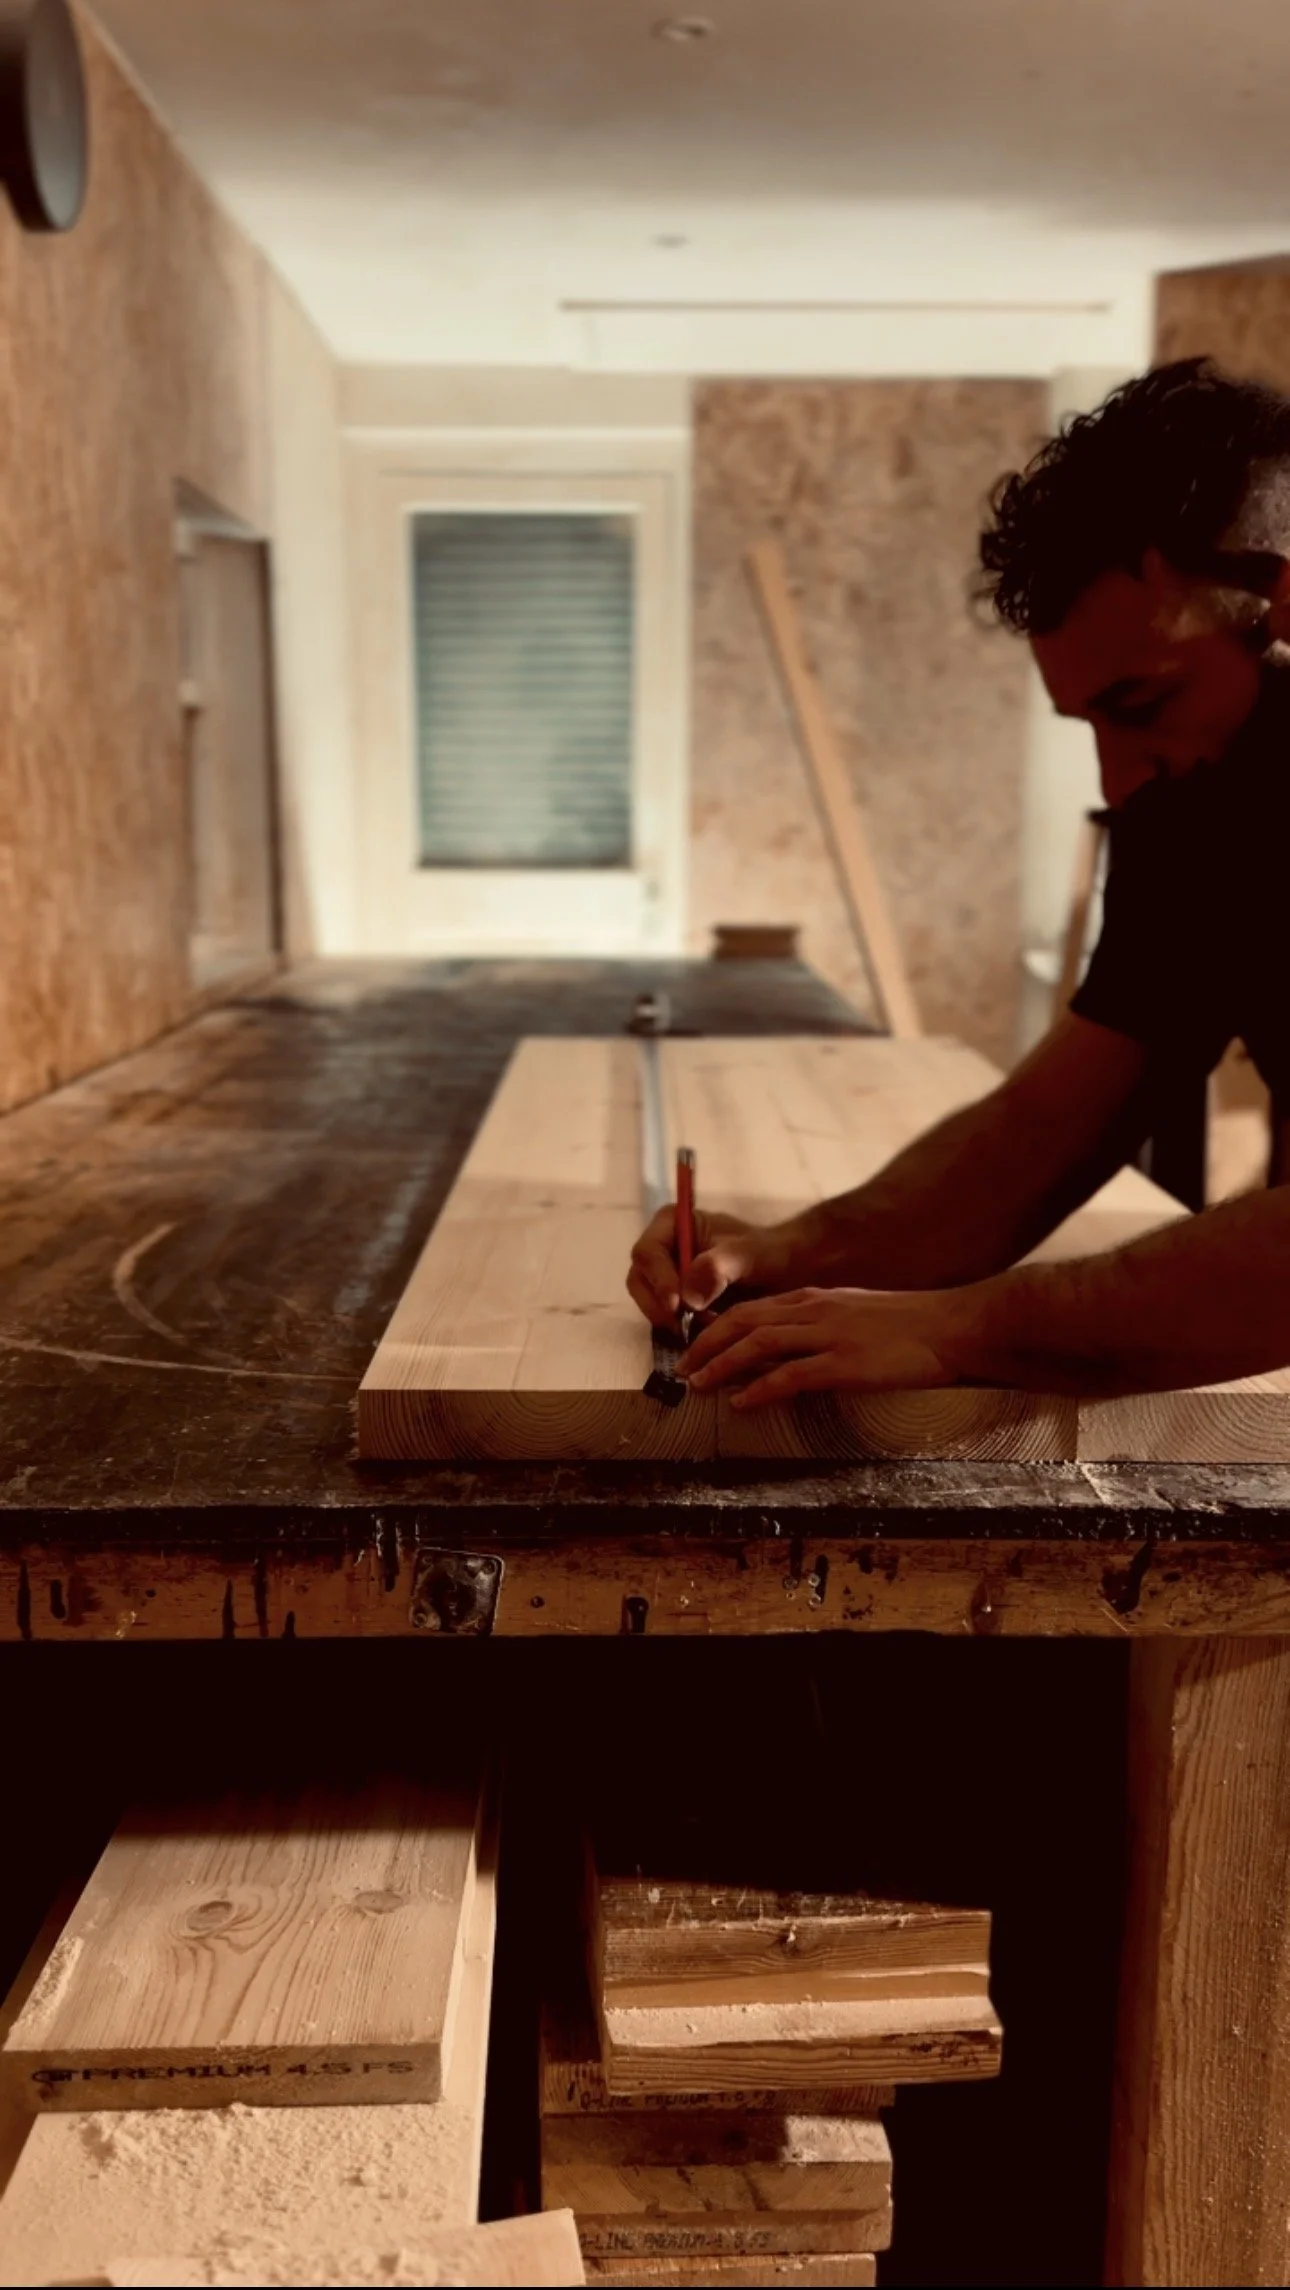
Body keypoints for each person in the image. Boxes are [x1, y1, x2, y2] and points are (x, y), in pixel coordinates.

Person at [627, 357, 1290, 1411]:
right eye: (1090, 723)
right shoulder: (1195, 806)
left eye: (1144, 704)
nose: (1118, 782)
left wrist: (964, 1327)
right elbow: (1043, 1132)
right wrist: (794, 1248)